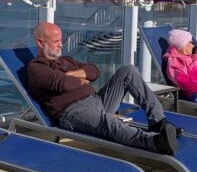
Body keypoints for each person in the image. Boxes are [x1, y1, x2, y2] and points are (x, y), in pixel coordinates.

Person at [26, 22, 180, 155]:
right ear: (41, 43)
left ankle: (158, 121)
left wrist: (74, 75)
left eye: (61, 40)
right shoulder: (36, 67)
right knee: (109, 123)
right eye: (56, 41)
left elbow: (94, 71)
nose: (61, 44)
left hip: (97, 100)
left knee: (128, 70)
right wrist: (81, 78)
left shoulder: (66, 60)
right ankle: (155, 142)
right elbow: (64, 84)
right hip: (73, 111)